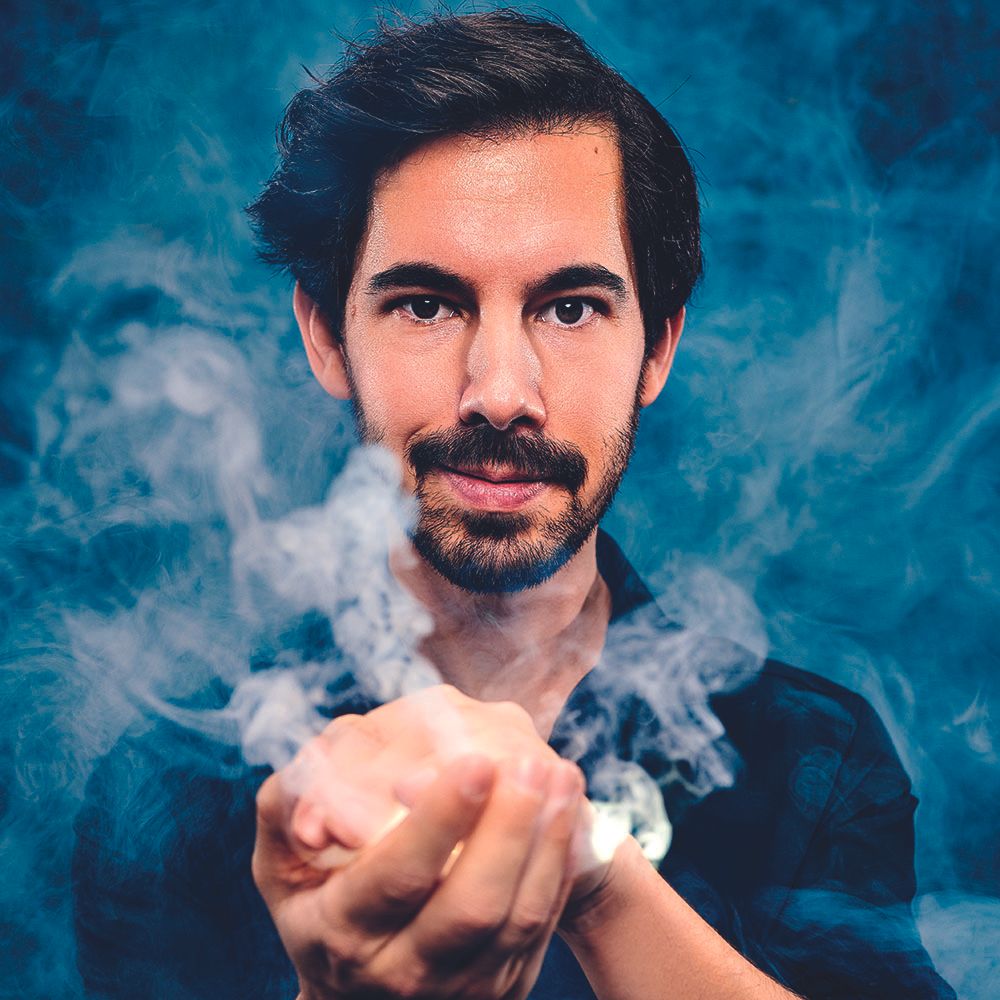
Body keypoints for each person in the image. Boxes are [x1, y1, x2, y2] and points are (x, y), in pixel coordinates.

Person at [72, 9, 955, 999]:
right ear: (326, 334)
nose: (499, 391)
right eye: (426, 304)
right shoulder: (166, 790)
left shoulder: (814, 758)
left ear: (656, 348)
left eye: (570, 308)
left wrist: (589, 872)